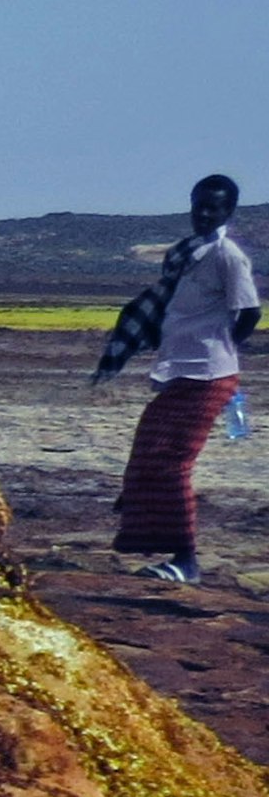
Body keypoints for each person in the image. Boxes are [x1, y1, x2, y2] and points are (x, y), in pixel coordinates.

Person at [103, 173, 261, 582]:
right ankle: (148, 531)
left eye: (215, 207)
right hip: (179, 372)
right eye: (200, 205)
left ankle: (186, 560)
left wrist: (222, 348)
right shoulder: (185, 252)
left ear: (229, 211)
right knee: (147, 449)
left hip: (208, 376)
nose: (205, 214)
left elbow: (249, 313)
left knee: (172, 461)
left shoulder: (228, 257)